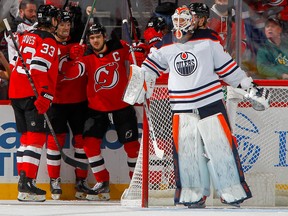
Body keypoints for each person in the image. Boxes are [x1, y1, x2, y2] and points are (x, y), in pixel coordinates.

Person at [126, 5, 254, 208]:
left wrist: (246, 84)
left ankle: (231, 191)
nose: (179, 25)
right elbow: (150, 67)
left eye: (183, 20)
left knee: (220, 147)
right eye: (176, 21)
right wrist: (141, 80)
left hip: (209, 102)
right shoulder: (166, 42)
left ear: (192, 21)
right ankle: (192, 194)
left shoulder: (209, 39)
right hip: (181, 106)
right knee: (187, 152)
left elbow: (227, 67)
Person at [66, 23, 140, 200]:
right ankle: (102, 183)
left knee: (132, 148)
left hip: (122, 107)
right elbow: (71, 74)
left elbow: (137, 57)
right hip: (97, 110)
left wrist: (139, 50)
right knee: (89, 145)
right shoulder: (86, 56)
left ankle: (136, 185)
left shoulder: (119, 47)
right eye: (91, 38)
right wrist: (71, 59)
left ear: (104, 36)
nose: (95, 41)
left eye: (98, 37)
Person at [9, 4, 60, 202]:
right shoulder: (47, 39)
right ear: (52, 21)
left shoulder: (27, 35)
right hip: (32, 93)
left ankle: (22, 185)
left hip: (16, 90)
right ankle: (28, 182)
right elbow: (38, 67)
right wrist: (45, 95)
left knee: (25, 139)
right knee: (36, 138)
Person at [46, 9, 93, 200]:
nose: (66, 28)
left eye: (68, 25)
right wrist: (68, 58)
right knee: (54, 143)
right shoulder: (49, 44)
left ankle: (80, 180)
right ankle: (54, 180)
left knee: (81, 142)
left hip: (79, 102)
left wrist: (84, 53)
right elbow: (50, 73)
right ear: (55, 25)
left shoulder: (79, 44)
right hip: (56, 102)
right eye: (62, 25)